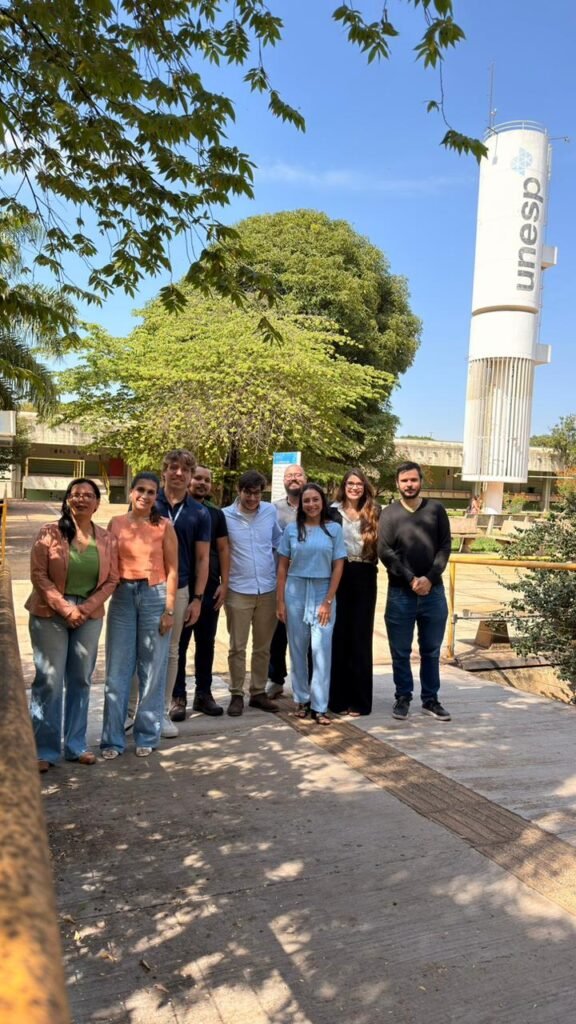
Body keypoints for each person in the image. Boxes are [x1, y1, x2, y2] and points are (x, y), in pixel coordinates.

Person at [27, 478, 119, 772]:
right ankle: (44, 750)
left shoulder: (107, 538)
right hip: (50, 611)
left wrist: (86, 608)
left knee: (81, 679)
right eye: (76, 494)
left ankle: (76, 745)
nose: (82, 499)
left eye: (88, 495)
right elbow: (38, 575)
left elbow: (112, 579)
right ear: (67, 500)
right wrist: (66, 608)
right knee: (49, 680)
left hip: (89, 614)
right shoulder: (49, 532)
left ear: (97, 503)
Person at [100, 472, 178, 758]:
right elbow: (108, 563)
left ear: (157, 497)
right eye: (140, 490)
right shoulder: (116, 523)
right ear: (131, 493)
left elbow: (173, 569)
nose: (145, 495)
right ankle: (112, 739)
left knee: (152, 669)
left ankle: (146, 734)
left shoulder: (164, 525)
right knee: (118, 670)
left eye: (151, 492)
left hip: (154, 595)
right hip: (122, 596)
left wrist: (169, 609)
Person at [378, 461, 452, 722]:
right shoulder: (389, 514)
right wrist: (411, 579)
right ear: (397, 484)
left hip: (434, 593)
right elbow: (385, 551)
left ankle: (430, 699)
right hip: (400, 594)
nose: (409, 485)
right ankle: (403, 697)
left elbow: (445, 547)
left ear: (421, 481)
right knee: (400, 651)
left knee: (431, 650)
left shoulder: (436, 510)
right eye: (404, 480)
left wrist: (430, 578)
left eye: (413, 480)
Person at [277, 483, 346, 724]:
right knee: (297, 649)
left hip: (322, 592)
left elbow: (338, 566)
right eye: (306, 500)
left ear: (322, 502)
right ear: (301, 504)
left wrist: (328, 600)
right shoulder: (291, 529)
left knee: (321, 650)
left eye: (315, 499)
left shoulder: (334, 529)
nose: (311, 504)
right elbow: (282, 567)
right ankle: (301, 699)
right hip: (295, 591)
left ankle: (320, 706)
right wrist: (280, 601)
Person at [155, 449, 211, 737]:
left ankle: (161, 712)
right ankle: (133, 711)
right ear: (164, 471)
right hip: (147, 586)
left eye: (185, 470)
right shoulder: (149, 502)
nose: (178, 473)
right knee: (142, 650)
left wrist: (197, 598)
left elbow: (203, 558)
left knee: (172, 651)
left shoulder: (199, 513)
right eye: (173, 467)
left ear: (190, 477)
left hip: (180, 589)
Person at [170, 466, 230, 719]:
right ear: (188, 480)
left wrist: (224, 583)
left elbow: (224, 549)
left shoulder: (215, 514)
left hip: (210, 589)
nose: (202, 483)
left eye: (207, 479)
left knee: (206, 643)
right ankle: (177, 696)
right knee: (179, 645)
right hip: (182, 587)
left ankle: (203, 694)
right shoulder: (173, 511)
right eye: (198, 478)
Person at [222, 470, 282, 716]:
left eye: (257, 493)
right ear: (240, 491)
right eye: (248, 493)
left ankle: (258, 692)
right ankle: (236, 693)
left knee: (263, 647)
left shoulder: (269, 512)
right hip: (238, 589)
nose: (253, 498)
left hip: (267, 589)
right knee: (237, 646)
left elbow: (278, 542)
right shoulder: (225, 516)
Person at [329, 468, 381, 716]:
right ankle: (337, 699)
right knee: (338, 635)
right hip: (338, 573)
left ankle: (360, 701)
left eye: (359, 484)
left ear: (365, 487)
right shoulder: (332, 511)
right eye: (350, 483)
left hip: (365, 573)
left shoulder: (375, 511)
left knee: (360, 636)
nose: (354, 487)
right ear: (344, 485)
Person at [266, 463, 307, 699]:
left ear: (305, 479)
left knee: (306, 635)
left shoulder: (315, 506)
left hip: (308, 580)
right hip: (280, 579)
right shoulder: (273, 509)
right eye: (289, 475)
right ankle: (275, 678)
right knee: (277, 633)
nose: (294, 479)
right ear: (283, 480)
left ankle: (307, 681)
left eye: (298, 475)